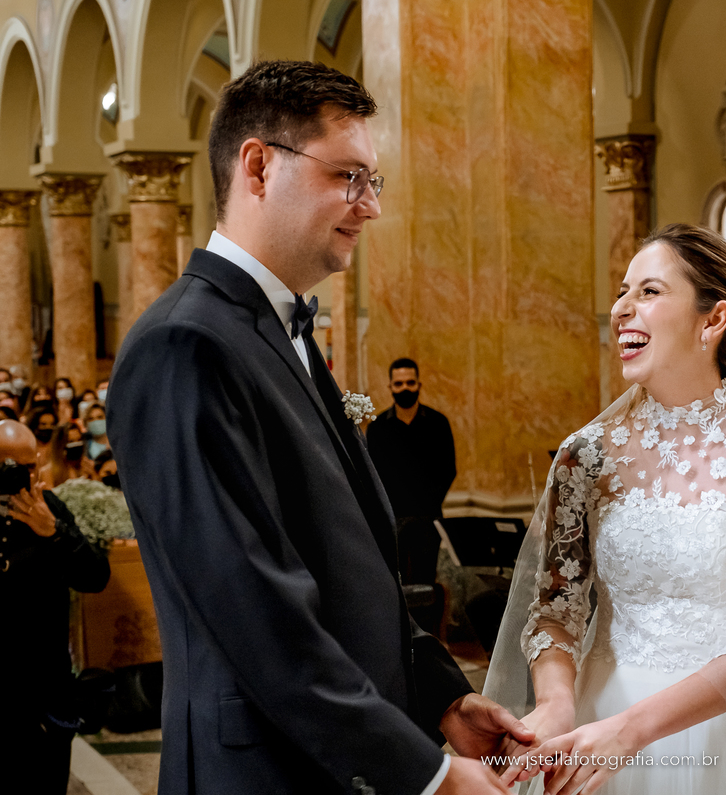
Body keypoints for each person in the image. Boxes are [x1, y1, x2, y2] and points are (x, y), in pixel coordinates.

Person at [108, 60, 531, 795]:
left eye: (374, 182)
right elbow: (257, 612)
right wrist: (426, 774)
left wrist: (441, 698)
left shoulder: (283, 330)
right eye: (349, 177)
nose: (369, 206)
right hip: (265, 770)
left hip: (334, 761)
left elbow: (349, 565)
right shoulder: (186, 347)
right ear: (258, 166)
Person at [485, 223, 726, 794]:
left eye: (649, 292)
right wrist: (558, 703)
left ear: (713, 319)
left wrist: (632, 731)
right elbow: (557, 613)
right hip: (596, 723)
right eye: (622, 291)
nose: (622, 309)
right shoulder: (584, 456)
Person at [0, 419, 111, 795]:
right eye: (13, 468)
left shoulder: (50, 508)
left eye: (32, 466)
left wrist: (55, 534)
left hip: (45, 696)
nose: (27, 477)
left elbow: (96, 577)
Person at [366, 357, 457, 587]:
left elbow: (448, 469)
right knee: (395, 584)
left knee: (425, 584)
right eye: (399, 384)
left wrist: (428, 505)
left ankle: (425, 625)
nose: (404, 388)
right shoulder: (378, 429)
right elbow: (373, 474)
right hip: (392, 519)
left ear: (419, 385)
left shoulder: (438, 423)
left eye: (410, 382)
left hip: (428, 519)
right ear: (390, 387)